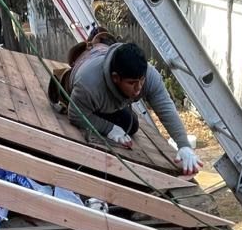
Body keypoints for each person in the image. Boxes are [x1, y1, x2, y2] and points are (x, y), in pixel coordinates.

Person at [65, 40, 200, 175]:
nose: (138, 88)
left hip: (110, 97)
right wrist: (109, 128)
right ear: (115, 78)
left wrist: (184, 145)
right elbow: (75, 114)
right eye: (132, 83)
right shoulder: (88, 84)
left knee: (131, 125)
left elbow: (165, 108)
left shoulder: (149, 75)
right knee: (114, 124)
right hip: (82, 86)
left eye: (141, 80)